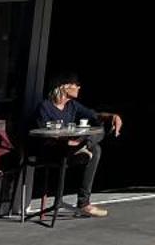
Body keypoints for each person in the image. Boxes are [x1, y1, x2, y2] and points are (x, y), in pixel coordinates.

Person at [31, 74, 123, 218]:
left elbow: (94, 115)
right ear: (64, 87)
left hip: (71, 149)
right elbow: (43, 135)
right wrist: (65, 140)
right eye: (75, 84)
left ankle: (84, 202)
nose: (79, 87)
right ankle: (83, 202)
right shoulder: (45, 107)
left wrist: (112, 116)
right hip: (52, 151)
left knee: (99, 140)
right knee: (95, 149)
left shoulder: (72, 105)